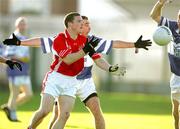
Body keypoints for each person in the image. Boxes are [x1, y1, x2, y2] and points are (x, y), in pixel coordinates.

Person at [3, 13, 151, 129]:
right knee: (46, 112)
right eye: (81, 22)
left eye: (85, 23)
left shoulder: (89, 41)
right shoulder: (60, 38)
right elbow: (52, 49)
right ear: (71, 25)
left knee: (66, 114)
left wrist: (133, 45)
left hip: (76, 80)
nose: (85, 25)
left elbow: (112, 44)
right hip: (56, 78)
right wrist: (19, 42)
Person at [150, 0, 180, 129]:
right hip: (176, 75)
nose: (179, 20)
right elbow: (154, 16)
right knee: (176, 110)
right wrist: (160, 2)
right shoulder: (172, 26)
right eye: (179, 17)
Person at [1, 17, 33, 122]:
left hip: (24, 69)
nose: (23, 26)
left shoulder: (24, 38)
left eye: (24, 24)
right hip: (14, 69)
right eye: (20, 23)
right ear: (16, 25)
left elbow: (26, 56)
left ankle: (9, 107)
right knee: (14, 93)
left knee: (29, 94)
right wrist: (21, 58)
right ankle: (13, 116)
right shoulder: (13, 37)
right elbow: (8, 54)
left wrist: (25, 60)